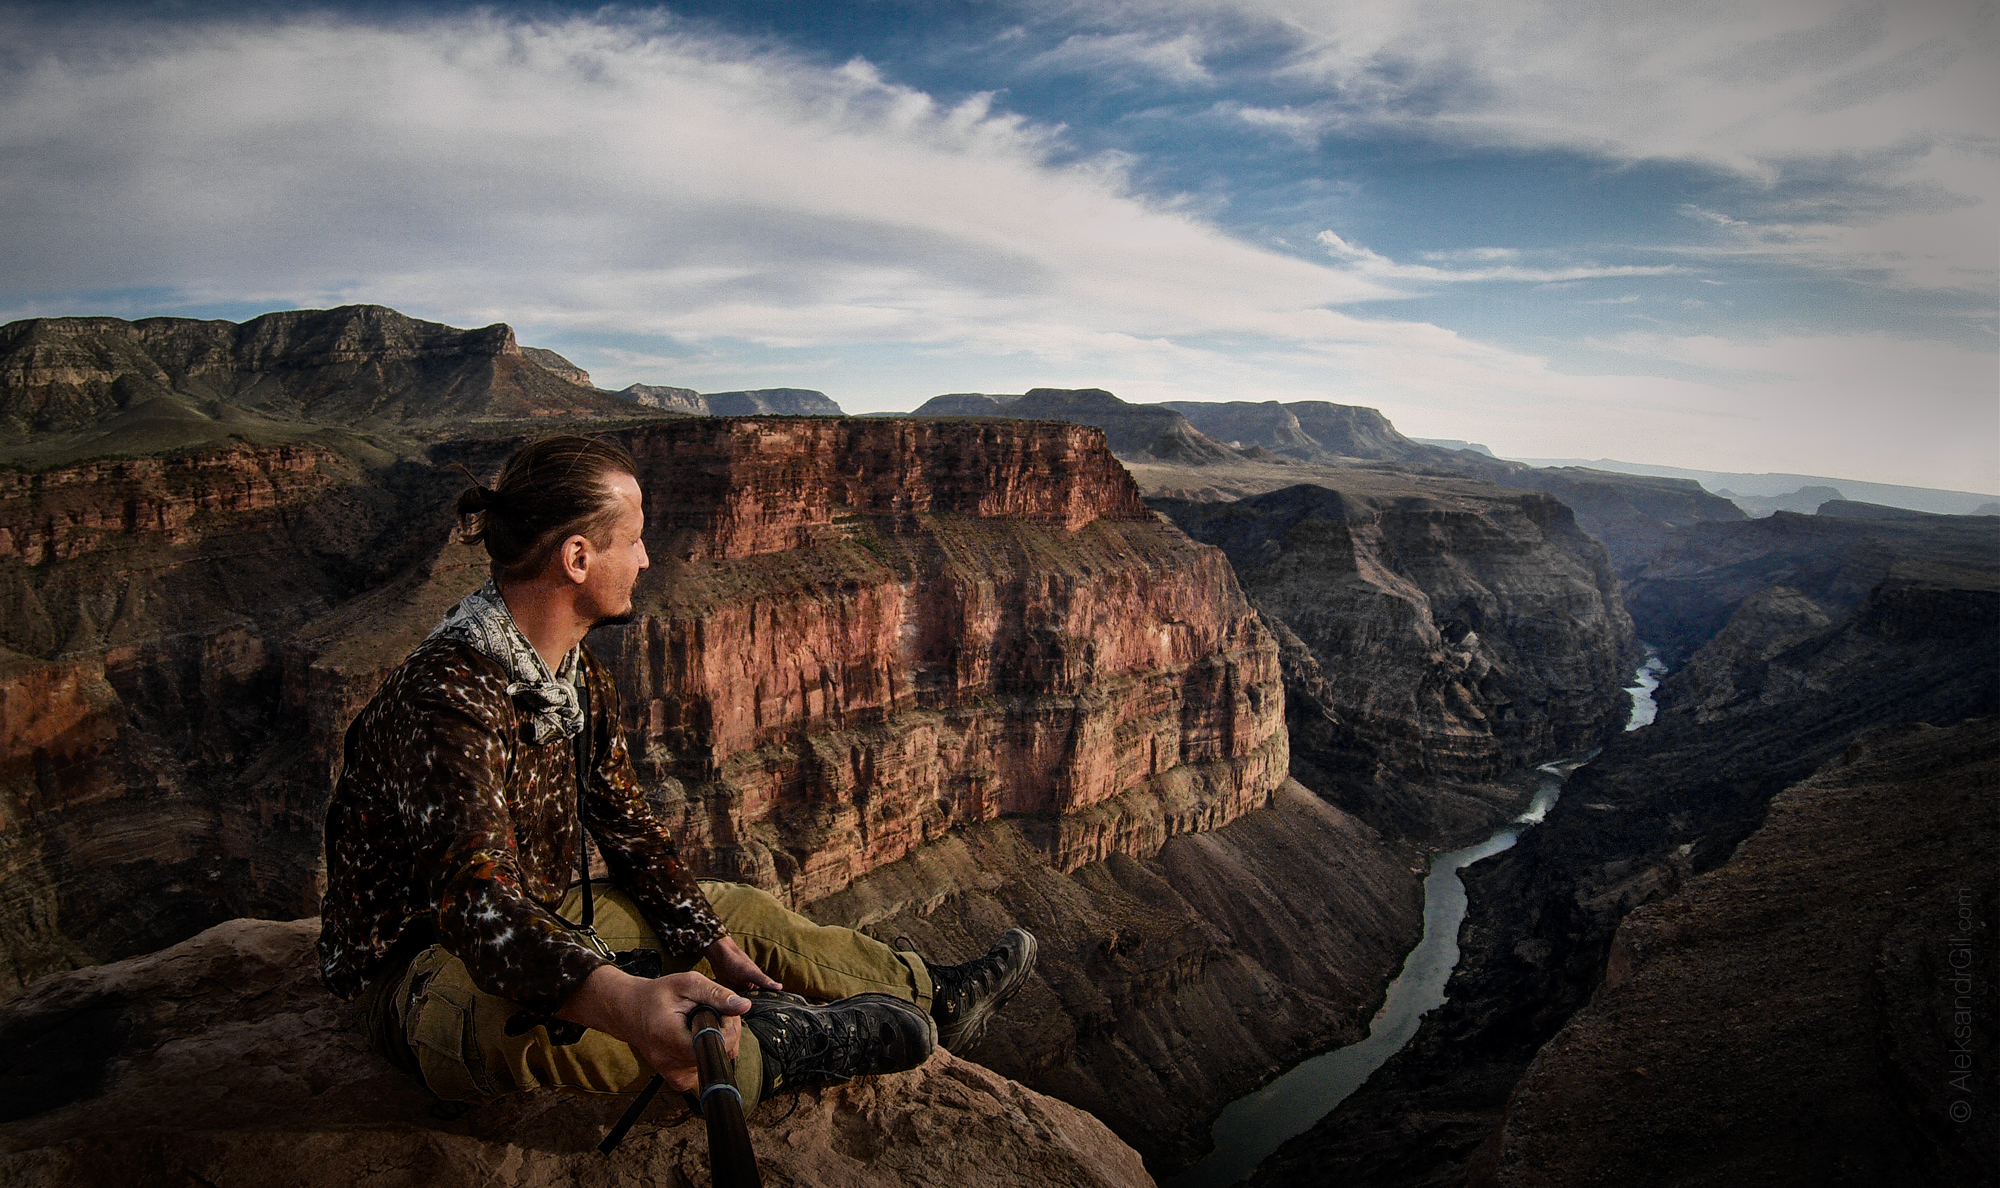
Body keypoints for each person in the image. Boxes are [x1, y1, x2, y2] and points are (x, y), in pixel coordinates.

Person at [317, 434, 1036, 1116]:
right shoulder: (449, 696)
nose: (648, 559)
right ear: (576, 558)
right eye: (632, 540)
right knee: (583, 1032)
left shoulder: (570, 678)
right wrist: (625, 998)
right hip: (421, 972)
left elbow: (630, 832)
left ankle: (931, 995)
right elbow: (475, 908)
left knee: (736, 911)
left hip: (534, 918)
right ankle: (775, 1052)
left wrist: (713, 943)